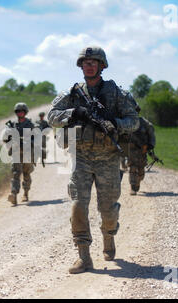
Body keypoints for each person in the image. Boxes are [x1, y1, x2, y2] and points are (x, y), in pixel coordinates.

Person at [47, 46, 139, 274]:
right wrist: (74, 113)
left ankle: (109, 237)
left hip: (108, 158)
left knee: (107, 210)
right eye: (85, 62)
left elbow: (134, 121)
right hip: (81, 157)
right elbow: (51, 117)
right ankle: (84, 256)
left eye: (93, 62)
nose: (88, 66)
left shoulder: (116, 93)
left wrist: (115, 123)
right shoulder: (72, 93)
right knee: (78, 206)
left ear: (102, 66)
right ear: (81, 66)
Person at [2, 102, 37, 206]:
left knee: (26, 173)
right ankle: (13, 194)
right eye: (18, 111)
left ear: (25, 112)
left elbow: (36, 138)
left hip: (27, 152)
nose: (20, 113)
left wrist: (28, 141)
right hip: (16, 152)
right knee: (15, 174)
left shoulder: (30, 125)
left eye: (22, 111)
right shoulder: (12, 125)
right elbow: (5, 138)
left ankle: (25, 193)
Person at [119, 106, 156, 195]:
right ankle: (133, 187)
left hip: (142, 150)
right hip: (131, 150)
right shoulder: (127, 123)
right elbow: (122, 134)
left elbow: (151, 135)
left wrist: (150, 146)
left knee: (141, 170)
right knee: (132, 168)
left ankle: (138, 181)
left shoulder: (145, 123)